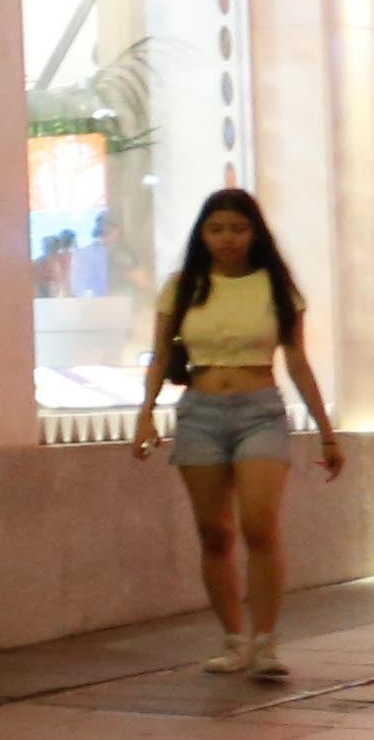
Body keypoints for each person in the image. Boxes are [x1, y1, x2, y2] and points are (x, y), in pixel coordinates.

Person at [128, 186, 346, 680]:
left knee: (259, 525)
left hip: (260, 411)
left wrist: (327, 432)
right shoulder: (183, 286)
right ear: (203, 234)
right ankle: (233, 640)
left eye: (238, 228)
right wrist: (145, 412)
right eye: (217, 229)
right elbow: (160, 355)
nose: (227, 238)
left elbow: (297, 359)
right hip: (200, 413)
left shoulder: (276, 286)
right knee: (214, 531)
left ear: (255, 233)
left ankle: (265, 642)